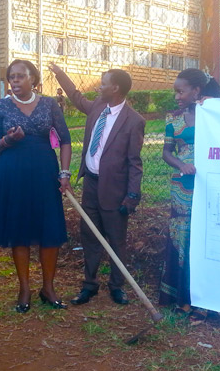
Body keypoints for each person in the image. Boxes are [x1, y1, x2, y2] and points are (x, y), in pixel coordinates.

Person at [50, 63, 145, 306]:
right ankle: (89, 285)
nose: (99, 86)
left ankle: (117, 286)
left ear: (115, 88)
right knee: (90, 237)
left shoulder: (134, 121)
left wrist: (132, 195)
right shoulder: (97, 108)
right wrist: (60, 74)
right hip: (91, 185)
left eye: (103, 83)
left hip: (115, 191)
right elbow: (75, 96)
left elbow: (135, 162)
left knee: (116, 239)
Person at [0, 60, 72, 312]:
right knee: (19, 229)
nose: (14, 81)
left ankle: (48, 287)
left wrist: (64, 173)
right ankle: (24, 289)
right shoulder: (0, 106)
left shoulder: (49, 104)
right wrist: (7, 139)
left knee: (49, 230)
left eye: (20, 76)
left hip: (45, 172)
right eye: (11, 77)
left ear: (32, 79)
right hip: (13, 173)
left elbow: (65, 140)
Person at [159, 68, 220, 318]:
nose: (176, 96)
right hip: (182, 187)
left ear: (196, 90)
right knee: (182, 238)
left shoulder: (215, 114)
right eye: (175, 91)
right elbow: (166, 153)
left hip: (211, 186)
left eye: (180, 90)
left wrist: (215, 106)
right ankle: (182, 298)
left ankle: (206, 299)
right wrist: (181, 165)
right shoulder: (173, 120)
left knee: (205, 238)